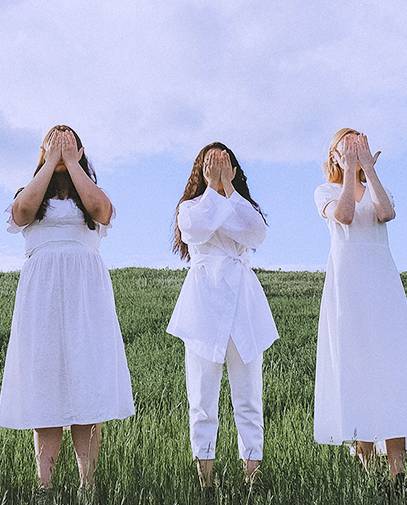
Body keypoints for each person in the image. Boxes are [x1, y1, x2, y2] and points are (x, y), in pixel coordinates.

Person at [0, 125, 135, 495]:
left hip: (84, 294)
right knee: (46, 380)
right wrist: (50, 161)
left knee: (86, 378)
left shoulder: (89, 193)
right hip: (42, 293)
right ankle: (45, 484)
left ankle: (86, 483)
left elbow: (100, 210)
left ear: (80, 149)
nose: (60, 148)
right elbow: (23, 211)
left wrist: (72, 163)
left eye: (67, 142)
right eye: (52, 143)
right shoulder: (32, 194)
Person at [313, 128, 407, 483]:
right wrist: (351, 168)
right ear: (335, 156)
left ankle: (397, 472)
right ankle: (365, 461)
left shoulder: (375, 188)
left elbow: (386, 212)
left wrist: (367, 168)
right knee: (356, 366)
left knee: (391, 368)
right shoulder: (325, 192)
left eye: (359, 147)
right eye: (345, 150)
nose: (352, 154)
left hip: (381, 285)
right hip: (348, 286)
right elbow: (345, 215)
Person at [167, 143, 278, 488]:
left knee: (248, 396)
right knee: (202, 397)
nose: (218, 168)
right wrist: (216, 195)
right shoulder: (189, 208)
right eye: (211, 164)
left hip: (243, 304)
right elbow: (196, 231)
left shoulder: (244, 207)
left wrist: (227, 189)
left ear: (234, 169)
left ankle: (253, 477)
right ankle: (206, 481)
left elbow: (255, 232)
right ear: (200, 170)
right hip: (203, 306)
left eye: (224, 163)